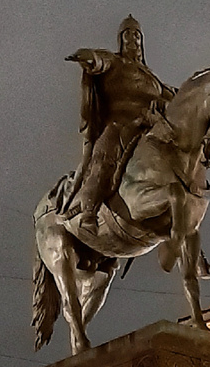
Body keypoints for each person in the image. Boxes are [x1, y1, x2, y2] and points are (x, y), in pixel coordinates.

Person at [64, 16, 173, 233]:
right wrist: (90, 57)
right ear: (120, 40)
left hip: (148, 128)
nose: (132, 38)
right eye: (127, 34)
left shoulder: (152, 77)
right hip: (119, 125)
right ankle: (89, 211)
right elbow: (99, 61)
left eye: (136, 35)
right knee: (106, 155)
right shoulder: (114, 62)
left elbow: (174, 98)